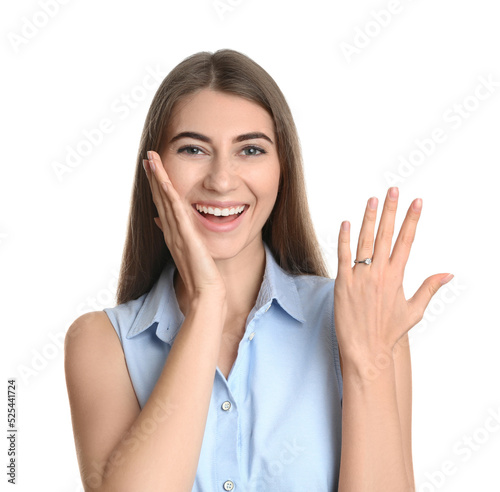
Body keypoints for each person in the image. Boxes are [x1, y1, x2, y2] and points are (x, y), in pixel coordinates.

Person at [64, 49, 453, 491]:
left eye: (250, 150)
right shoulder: (102, 342)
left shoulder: (360, 317)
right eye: (193, 149)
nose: (222, 180)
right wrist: (207, 305)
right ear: (155, 172)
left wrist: (367, 365)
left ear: (281, 170)